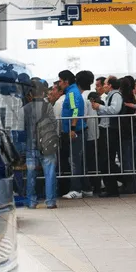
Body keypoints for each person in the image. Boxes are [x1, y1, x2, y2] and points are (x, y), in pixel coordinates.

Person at [23, 81, 58, 209]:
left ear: (31, 93)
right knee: (50, 173)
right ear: (43, 92)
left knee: (31, 175)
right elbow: (54, 123)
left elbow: (22, 128)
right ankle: (50, 202)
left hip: (30, 146)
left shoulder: (25, 108)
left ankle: (31, 202)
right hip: (47, 146)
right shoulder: (48, 106)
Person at [58, 70, 90, 199]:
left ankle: (76, 189)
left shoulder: (71, 93)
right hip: (78, 130)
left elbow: (75, 110)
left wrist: (72, 128)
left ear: (66, 81)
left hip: (75, 131)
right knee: (79, 160)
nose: (59, 83)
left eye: (60, 81)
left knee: (75, 161)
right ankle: (86, 188)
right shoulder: (73, 92)